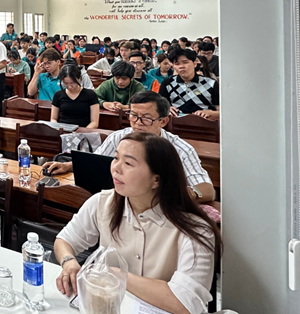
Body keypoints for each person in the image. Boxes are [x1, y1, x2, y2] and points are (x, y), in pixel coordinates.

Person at [54, 133, 219, 314]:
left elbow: (186, 303)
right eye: (115, 158)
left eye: (128, 163)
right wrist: (69, 262)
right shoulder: (103, 202)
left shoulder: (196, 229)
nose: (116, 168)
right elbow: (65, 240)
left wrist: (116, 275)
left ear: (156, 179)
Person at [42, 92, 215, 200]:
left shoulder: (180, 149)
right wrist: (67, 165)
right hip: (120, 201)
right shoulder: (119, 137)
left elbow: (207, 190)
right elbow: (97, 160)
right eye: (133, 115)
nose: (137, 123)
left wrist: (176, 194)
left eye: (146, 118)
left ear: (163, 121)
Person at [159, 49, 220, 120]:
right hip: (176, 122)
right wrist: (167, 109)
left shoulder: (211, 83)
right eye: (177, 64)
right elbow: (160, 107)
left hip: (204, 121)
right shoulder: (167, 83)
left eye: (185, 62)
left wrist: (211, 113)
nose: (181, 66)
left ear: (194, 63)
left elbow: (222, 110)